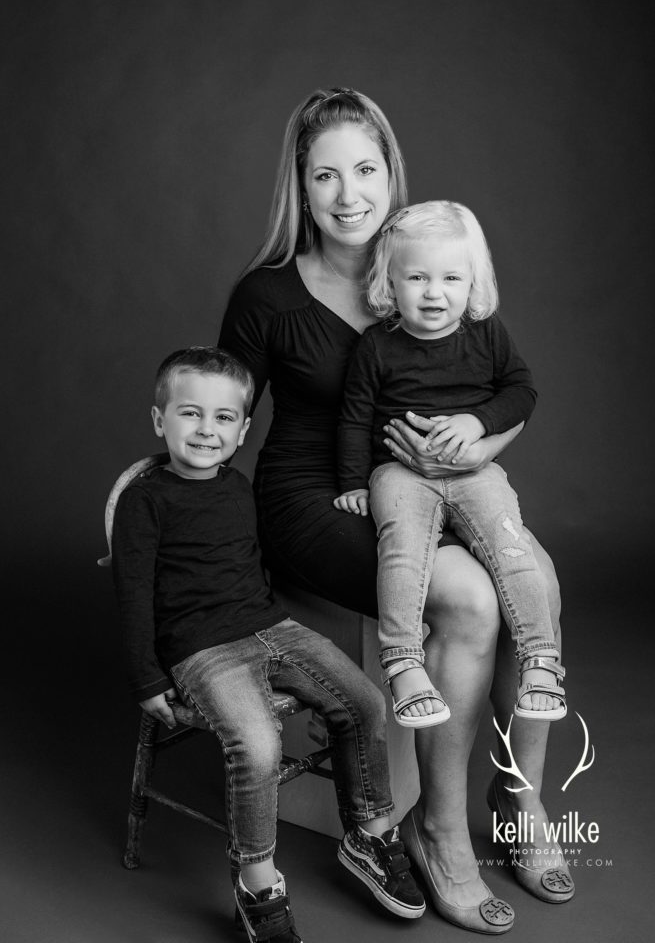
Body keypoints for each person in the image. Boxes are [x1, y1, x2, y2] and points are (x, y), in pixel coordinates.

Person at [219, 87, 575, 932]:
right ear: (299, 189)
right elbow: (221, 411)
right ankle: (438, 829)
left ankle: (520, 803)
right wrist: (158, 484)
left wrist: (481, 442)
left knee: (541, 578)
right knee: (469, 598)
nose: (349, 195)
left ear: (391, 173)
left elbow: (502, 385)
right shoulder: (266, 296)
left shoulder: (423, 261)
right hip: (319, 497)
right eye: (325, 176)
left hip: (439, 487)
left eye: (366, 170)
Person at [111, 346, 426, 943]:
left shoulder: (237, 486)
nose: (207, 430)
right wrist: (148, 679)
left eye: (223, 418)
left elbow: (257, 563)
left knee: (363, 700)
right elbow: (132, 595)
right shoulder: (145, 500)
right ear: (160, 420)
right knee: (257, 745)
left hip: (272, 628)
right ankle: (257, 883)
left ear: (243, 429)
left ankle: (369, 833)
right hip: (203, 650)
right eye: (190, 414)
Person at [334, 200, 566, 731]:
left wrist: (477, 424)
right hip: (398, 473)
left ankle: (540, 662)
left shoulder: (485, 333)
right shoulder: (377, 346)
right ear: (390, 283)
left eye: (450, 278)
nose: (433, 292)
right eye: (416, 277)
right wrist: (352, 481)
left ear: (472, 283)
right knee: (403, 551)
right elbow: (353, 418)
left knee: (512, 549)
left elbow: (521, 392)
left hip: (475, 472)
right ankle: (404, 663)